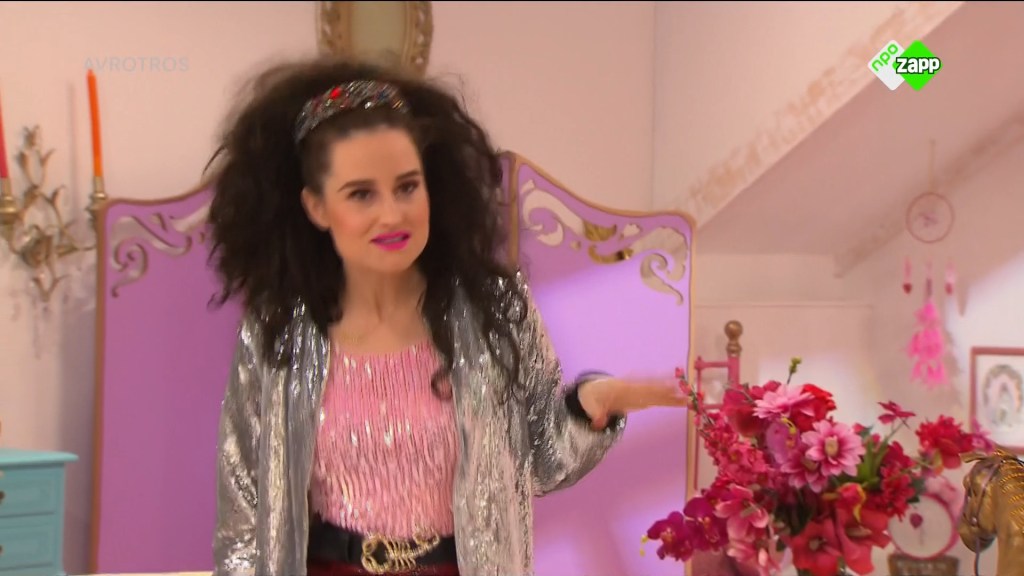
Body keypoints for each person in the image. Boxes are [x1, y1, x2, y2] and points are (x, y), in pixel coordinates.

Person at [204, 56, 686, 576]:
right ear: (316, 207)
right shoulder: (278, 330)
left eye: (407, 186)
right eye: (361, 194)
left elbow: (544, 462)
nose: (392, 214)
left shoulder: (494, 308)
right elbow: (243, 517)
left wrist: (592, 405)